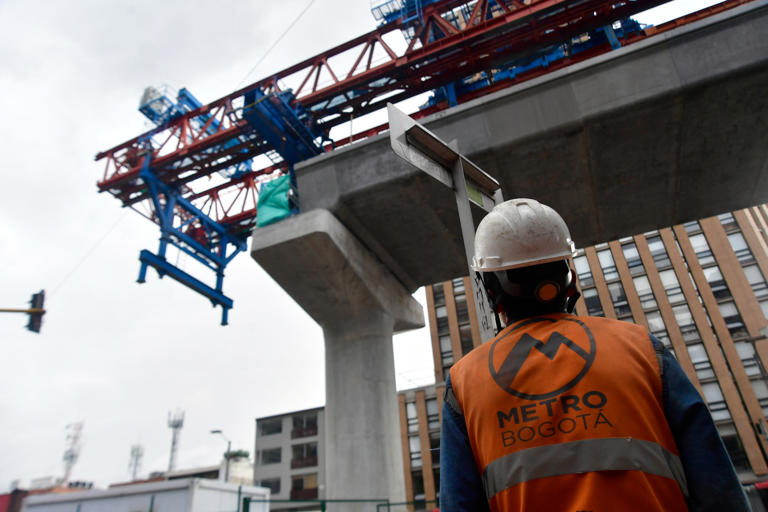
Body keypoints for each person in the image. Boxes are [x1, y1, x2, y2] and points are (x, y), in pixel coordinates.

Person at [439, 198, 750, 511]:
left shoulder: (466, 382)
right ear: (567, 274)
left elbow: (459, 504)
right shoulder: (641, 348)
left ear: (490, 290)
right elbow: (717, 485)